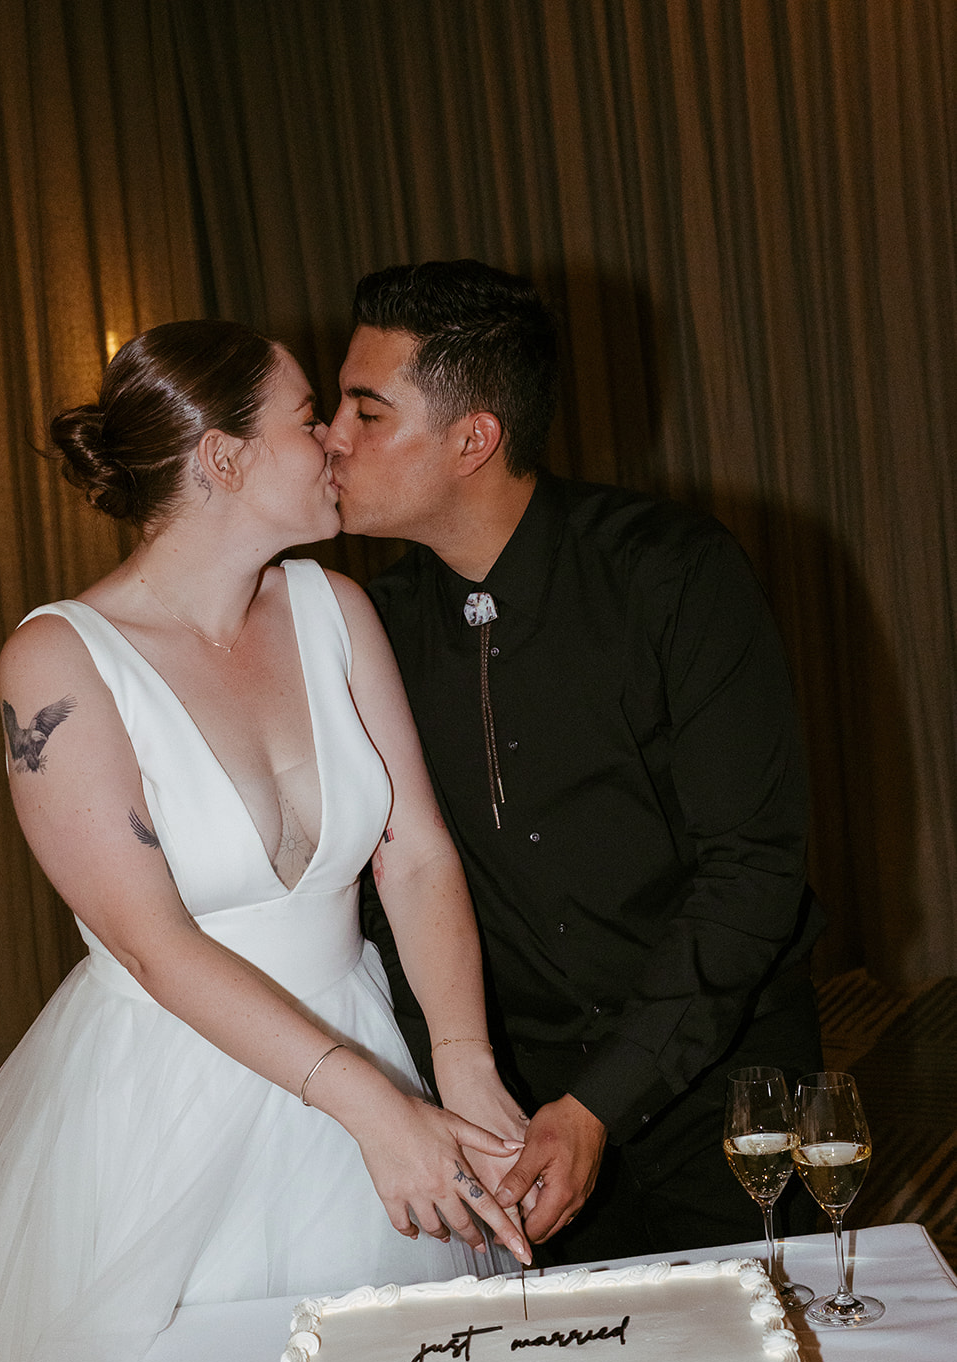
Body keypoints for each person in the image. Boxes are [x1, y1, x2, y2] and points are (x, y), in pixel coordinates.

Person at [0, 319, 531, 1362]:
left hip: (362, 1043)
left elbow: (411, 854)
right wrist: (370, 1105)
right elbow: (152, 939)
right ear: (223, 460)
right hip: (166, 1094)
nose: (337, 439)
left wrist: (459, 1066)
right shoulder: (58, 658)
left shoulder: (333, 607)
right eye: (308, 417)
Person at [327, 259, 825, 1267]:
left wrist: (600, 1102)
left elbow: (752, 871)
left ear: (472, 439)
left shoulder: (672, 572)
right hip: (514, 1115)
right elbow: (385, 893)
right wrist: (452, 1082)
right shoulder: (371, 626)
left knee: (777, 1349)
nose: (331, 437)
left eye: (365, 412)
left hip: (719, 1082)